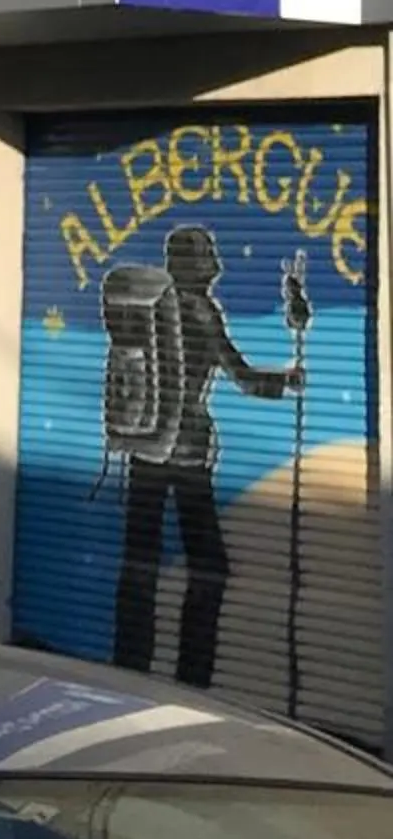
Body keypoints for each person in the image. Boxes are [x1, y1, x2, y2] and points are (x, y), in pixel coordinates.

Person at [112, 225, 303, 687]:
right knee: (210, 565)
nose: (215, 267)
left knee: (140, 560)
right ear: (201, 266)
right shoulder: (200, 312)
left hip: (144, 451)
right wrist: (289, 381)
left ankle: (128, 670)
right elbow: (243, 378)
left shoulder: (152, 308)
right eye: (209, 258)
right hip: (188, 455)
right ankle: (193, 678)